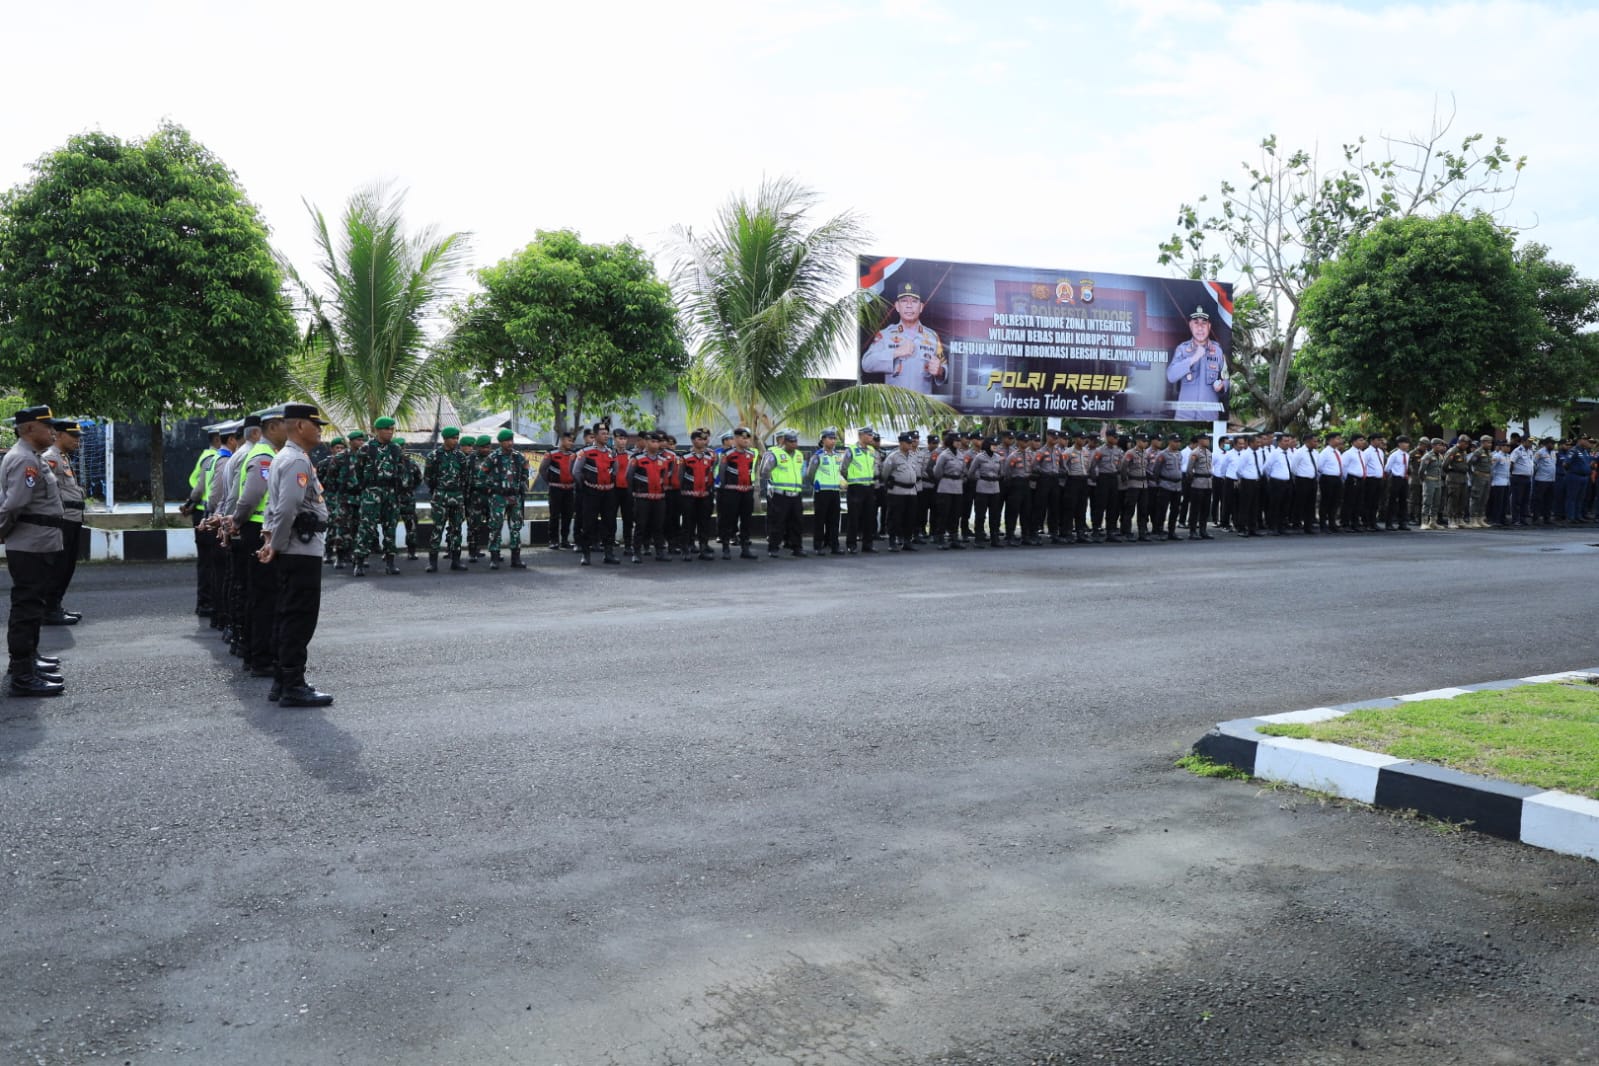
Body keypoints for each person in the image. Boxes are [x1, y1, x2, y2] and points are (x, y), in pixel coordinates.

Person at [257, 403, 334, 707]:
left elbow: (272, 507)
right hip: (300, 549)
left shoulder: (284, 457)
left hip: (293, 548)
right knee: (299, 619)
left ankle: (282, 679)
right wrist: (274, 543)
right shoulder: (296, 461)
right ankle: (293, 684)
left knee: (287, 614)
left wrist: (269, 539)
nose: (320, 430)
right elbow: (287, 508)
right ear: (301, 426)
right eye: (317, 425)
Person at [0, 405, 67, 696]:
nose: (52, 431)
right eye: (46, 425)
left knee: (33, 604)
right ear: (28, 428)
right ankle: (22, 674)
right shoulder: (23, 459)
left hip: (38, 543)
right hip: (29, 544)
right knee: (27, 608)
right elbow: (13, 505)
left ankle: (29, 660)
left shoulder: (33, 458)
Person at [230, 406, 287, 678]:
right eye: (285, 425)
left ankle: (256, 653)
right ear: (272, 427)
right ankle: (261, 657)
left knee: (260, 595)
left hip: (256, 528)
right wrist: (238, 521)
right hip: (258, 529)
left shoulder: (265, 453)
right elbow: (252, 495)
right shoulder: (264, 455)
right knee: (264, 597)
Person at [860, 280, 947, 393]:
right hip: (895, 407)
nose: (909, 306)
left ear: (921, 307)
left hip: (923, 408)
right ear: (897, 306)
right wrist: (895, 353)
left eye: (914, 301)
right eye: (904, 301)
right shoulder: (885, 335)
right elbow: (866, 363)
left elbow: (945, 368)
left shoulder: (932, 337)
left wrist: (940, 371)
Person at [41, 419, 87, 624]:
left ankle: (55, 605)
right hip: (62, 522)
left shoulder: (62, 457)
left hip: (72, 519)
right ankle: (49, 610)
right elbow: (45, 491)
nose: (78, 440)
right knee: (58, 567)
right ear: (59, 435)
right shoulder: (50, 457)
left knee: (67, 566)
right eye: (74, 436)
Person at [351, 416, 407, 576]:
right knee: (366, 527)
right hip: (372, 491)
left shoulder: (396, 448)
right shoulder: (367, 449)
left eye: (391, 429)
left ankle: (390, 563)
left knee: (390, 527)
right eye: (386, 429)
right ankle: (359, 562)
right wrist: (367, 488)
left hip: (390, 492)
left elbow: (401, 470)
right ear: (377, 430)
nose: (390, 432)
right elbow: (359, 471)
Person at [183, 421, 228, 613]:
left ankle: (205, 602)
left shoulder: (206, 457)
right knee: (213, 563)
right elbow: (201, 487)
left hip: (201, 513)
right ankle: (208, 603)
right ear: (218, 439)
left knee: (205, 563)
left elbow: (197, 487)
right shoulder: (215, 458)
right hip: (209, 515)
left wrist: (189, 503)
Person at [423, 426, 473, 571]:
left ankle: (456, 560)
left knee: (456, 529)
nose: (455, 441)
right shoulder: (434, 456)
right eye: (453, 438)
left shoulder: (461, 456)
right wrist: (438, 489)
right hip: (440, 496)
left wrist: (458, 491)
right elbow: (428, 477)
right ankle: (432, 562)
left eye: (457, 438)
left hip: (457, 497)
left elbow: (465, 477)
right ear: (445, 439)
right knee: (437, 528)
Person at [1166, 307, 1228, 420]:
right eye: (1196, 323)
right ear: (1190, 325)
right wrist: (1192, 359)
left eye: (1204, 323)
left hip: (1209, 415)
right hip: (1184, 415)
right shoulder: (1182, 349)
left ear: (1209, 326)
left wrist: (1223, 386)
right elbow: (1171, 376)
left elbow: (1226, 378)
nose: (1200, 327)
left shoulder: (1218, 350)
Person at [574, 422, 621, 565]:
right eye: (603, 433)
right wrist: (586, 486)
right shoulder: (585, 452)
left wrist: (610, 482)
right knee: (588, 523)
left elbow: (616, 469)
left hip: (608, 492)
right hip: (591, 491)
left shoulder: (612, 452)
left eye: (607, 433)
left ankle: (609, 553)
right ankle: (586, 555)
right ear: (595, 435)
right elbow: (576, 472)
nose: (606, 436)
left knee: (610, 523)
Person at [482, 429, 529, 570]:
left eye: (511, 440)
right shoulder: (493, 457)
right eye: (507, 441)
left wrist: (521, 485)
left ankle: (516, 558)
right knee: (495, 527)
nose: (510, 443)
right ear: (501, 442)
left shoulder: (518, 457)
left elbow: (525, 473)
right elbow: (482, 474)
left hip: (514, 497)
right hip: (498, 497)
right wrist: (492, 487)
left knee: (515, 527)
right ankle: (494, 558)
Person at [759, 429, 807, 558]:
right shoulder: (774, 454)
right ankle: (773, 547)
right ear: (784, 442)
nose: (794, 444)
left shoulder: (799, 455)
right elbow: (764, 471)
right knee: (778, 522)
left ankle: (797, 547)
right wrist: (772, 484)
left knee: (797, 522)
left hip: (796, 494)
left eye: (796, 441)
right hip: (780, 495)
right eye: (791, 441)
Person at [716, 427, 760, 559]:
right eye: (743, 437)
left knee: (746, 520)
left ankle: (745, 548)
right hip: (731, 490)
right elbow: (722, 472)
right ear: (735, 439)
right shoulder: (727, 454)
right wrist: (725, 488)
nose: (746, 440)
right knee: (728, 519)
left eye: (747, 438)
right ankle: (725, 547)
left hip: (746, 491)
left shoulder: (751, 454)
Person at [677, 430, 718, 560]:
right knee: (687, 523)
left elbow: (711, 473)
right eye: (700, 439)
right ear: (694, 440)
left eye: (705, 439)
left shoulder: (709, 457)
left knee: (704, 523)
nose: (704, 441)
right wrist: (683, 491)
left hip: (705, 495)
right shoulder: (685, 457)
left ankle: (703, 548)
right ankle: (686, 549)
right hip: (689, 495)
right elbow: (680, 476)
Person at [803, 428, 845, 555]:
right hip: (822, 492)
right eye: (830, 438)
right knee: (820, 520)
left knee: (834, 520)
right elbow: (810, 474)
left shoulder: (838, 456)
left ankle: (834, 545)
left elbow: (840, 472)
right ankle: (818, 546)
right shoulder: (818, 456)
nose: (833, 441)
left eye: (834, 438)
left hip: (834, 491)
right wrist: (816, 484)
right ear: (823, 440)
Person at [537, 431, 580, 550]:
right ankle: (553, 540)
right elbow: (542, 470)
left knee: (568, 515)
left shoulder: (574, 454)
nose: (571, 443)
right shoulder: (551, 453)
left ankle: (565, 540)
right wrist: (550, 482)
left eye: (572, 441)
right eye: (569, 440)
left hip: (570, 489)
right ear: (562, 440)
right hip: (555, 489)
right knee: (554, 515)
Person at [840, 427, 879, 554]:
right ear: (861, 435)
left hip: (869, 486)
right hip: (856, 487)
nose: (871, 437)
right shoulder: (851, 450)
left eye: (871, 435)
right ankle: (851, 544)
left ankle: (868, 544)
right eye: (869, 435)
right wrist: (852, 479)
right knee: (854, 517)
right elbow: (843, 468)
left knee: (869, 516)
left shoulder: (872, 450)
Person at [880, 432, 921, 551]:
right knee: (895, 517)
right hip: (897, 491)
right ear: (901, 443)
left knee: (910, 517)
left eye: (911, 443)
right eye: (908, 443)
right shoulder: (893, 457)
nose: (910, 445)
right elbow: (885, 473)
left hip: (912, 491)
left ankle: (907, 541)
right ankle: (892, 541)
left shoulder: (913, 456)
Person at [931, 431, 969, 550]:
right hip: (945, 486)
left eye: (959, 441)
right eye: (956, 441)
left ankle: (954, 538)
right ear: (950, 442)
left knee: (956, 513)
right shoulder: (944, 455)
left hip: (958, 487)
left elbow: (964, 470)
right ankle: (941, 538)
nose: (958, 443)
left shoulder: (961, 455)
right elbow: (937, 472)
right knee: (944, 513)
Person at [969, 436, 1005, 546]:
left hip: (995, 488)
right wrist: (979, 478)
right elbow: (971, 472)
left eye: (996, 444)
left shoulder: (998, 457)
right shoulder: (980, 457)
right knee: (980, 514)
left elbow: (1002, 473)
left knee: (995, 514)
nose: (995, 446)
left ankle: (994, 538)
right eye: (993, 444)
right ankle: (979, 538)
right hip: (982, 487)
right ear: (987, 445)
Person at [394, 437, 422, 560]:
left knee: (411, 526)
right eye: (397, 448)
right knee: (389, 526)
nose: (400, 450)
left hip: (407, 498)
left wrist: (409, 490)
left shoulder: (411, 464)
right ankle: (389, 551)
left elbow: (418, 479)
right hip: (392, 498)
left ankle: (411, 551)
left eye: (402, 447)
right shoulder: (388, 463)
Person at [1184, 434, 1214, 540]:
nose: (1208, 441)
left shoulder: (1209, 452)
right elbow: (1189, 470)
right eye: (1206, 440)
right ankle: (1192, 531)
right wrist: (1193, 480)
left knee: (1205, 509)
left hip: (1208, 483)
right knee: (1195, 509)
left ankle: (1203, 530)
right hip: (1198, 483)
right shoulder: (1195, 453)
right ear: (1200, 441)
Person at [1383, 436, 1413, 530]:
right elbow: (1387, 468)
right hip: (1395, 478)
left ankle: (1402, 522)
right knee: (1392, 501)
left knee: (1403, 501)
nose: (1407, 445)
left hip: (1404, 479)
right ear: (1400, 444)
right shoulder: (1394, 455)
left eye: (1408, 443)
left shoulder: (1407, 455)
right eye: (1405, 442)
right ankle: (1389, 523)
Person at [1417, 438, 1446, 530]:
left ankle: (1433, 522)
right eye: (1438, 445)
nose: (1440, 447)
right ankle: (1424, 522)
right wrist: (1424, 481)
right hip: (1429, 481)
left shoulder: (1440, 456)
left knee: (1436, 502)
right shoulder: (1428, 456)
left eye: (1441, 445)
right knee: (1427, 502)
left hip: (1438, 481)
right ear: (1433, 446)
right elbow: (1421, 471)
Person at [1532, 437, 1558, 525]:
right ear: (1546, 443)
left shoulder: (1554, 452)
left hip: (1551, 480)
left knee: (1549, 500)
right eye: (1551, 443)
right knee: (1538, 500)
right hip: (1541, 479)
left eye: (1554, 443)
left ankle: (1547, 518)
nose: (1553, 445)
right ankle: (1536, 518)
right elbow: (1534, 463)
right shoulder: (1540, 452)